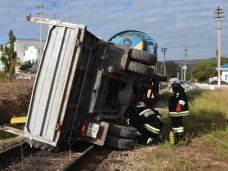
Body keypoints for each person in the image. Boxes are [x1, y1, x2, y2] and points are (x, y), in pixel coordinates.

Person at [168, 79, 189, 143]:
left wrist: (179, 106)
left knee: (178, 125)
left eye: (172, 85)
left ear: (176, 84)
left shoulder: (181, 91)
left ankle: (181, 138)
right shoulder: (175, 91)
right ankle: (176, 136)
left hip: (178, 112)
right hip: (174, 112)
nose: (172, 86)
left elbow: (183, 99)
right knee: (175, 125)